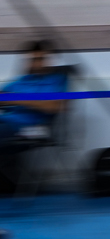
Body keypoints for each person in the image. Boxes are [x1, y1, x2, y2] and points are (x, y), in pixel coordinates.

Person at [0, 40, 70, 196]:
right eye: (33, 59)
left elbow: (55, 107)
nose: (38, 63)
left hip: (33, 128)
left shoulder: (57, 80)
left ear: (49, 60)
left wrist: (18, 99)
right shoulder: (21, 81)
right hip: (7, 122)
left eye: (41, 59)